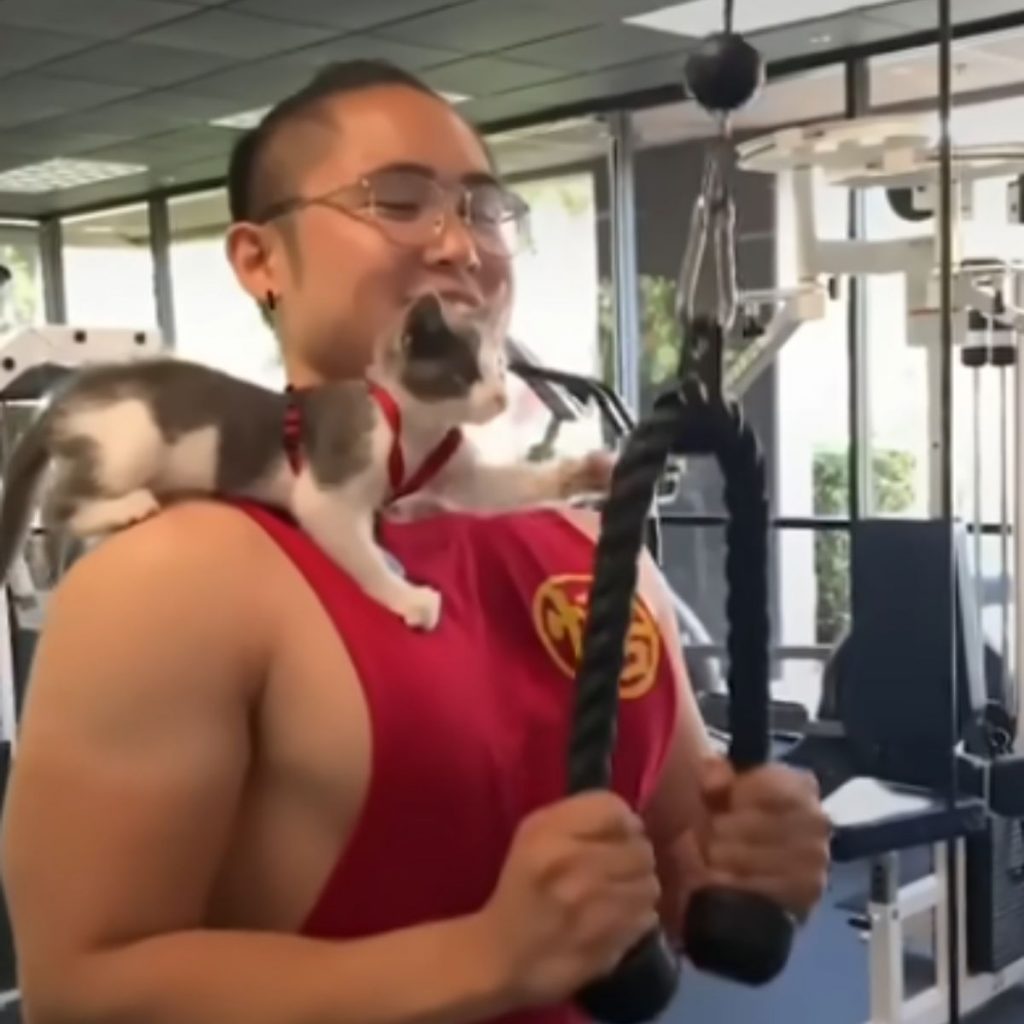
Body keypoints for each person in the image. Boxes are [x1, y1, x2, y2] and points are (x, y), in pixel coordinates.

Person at [1, 60, 831, 1024]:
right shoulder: (173, 580)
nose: (458, 246)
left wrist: (745, 863)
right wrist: (479, 957)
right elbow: (85, 991)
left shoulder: (593, 552)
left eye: (484, 210)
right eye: (396, 201)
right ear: (258, 261)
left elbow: (670, 861)